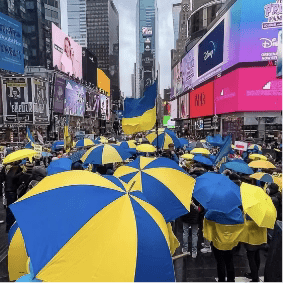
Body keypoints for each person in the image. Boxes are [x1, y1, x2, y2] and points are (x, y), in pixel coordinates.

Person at [4, 161, 23, 232]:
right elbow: (15, 178)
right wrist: (21, 173)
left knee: (9, 209)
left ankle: (9, 226)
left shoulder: (11, 170)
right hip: (11, 192)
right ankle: (10, 227)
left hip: (8, 191)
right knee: (11, 210)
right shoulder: (16, 170)